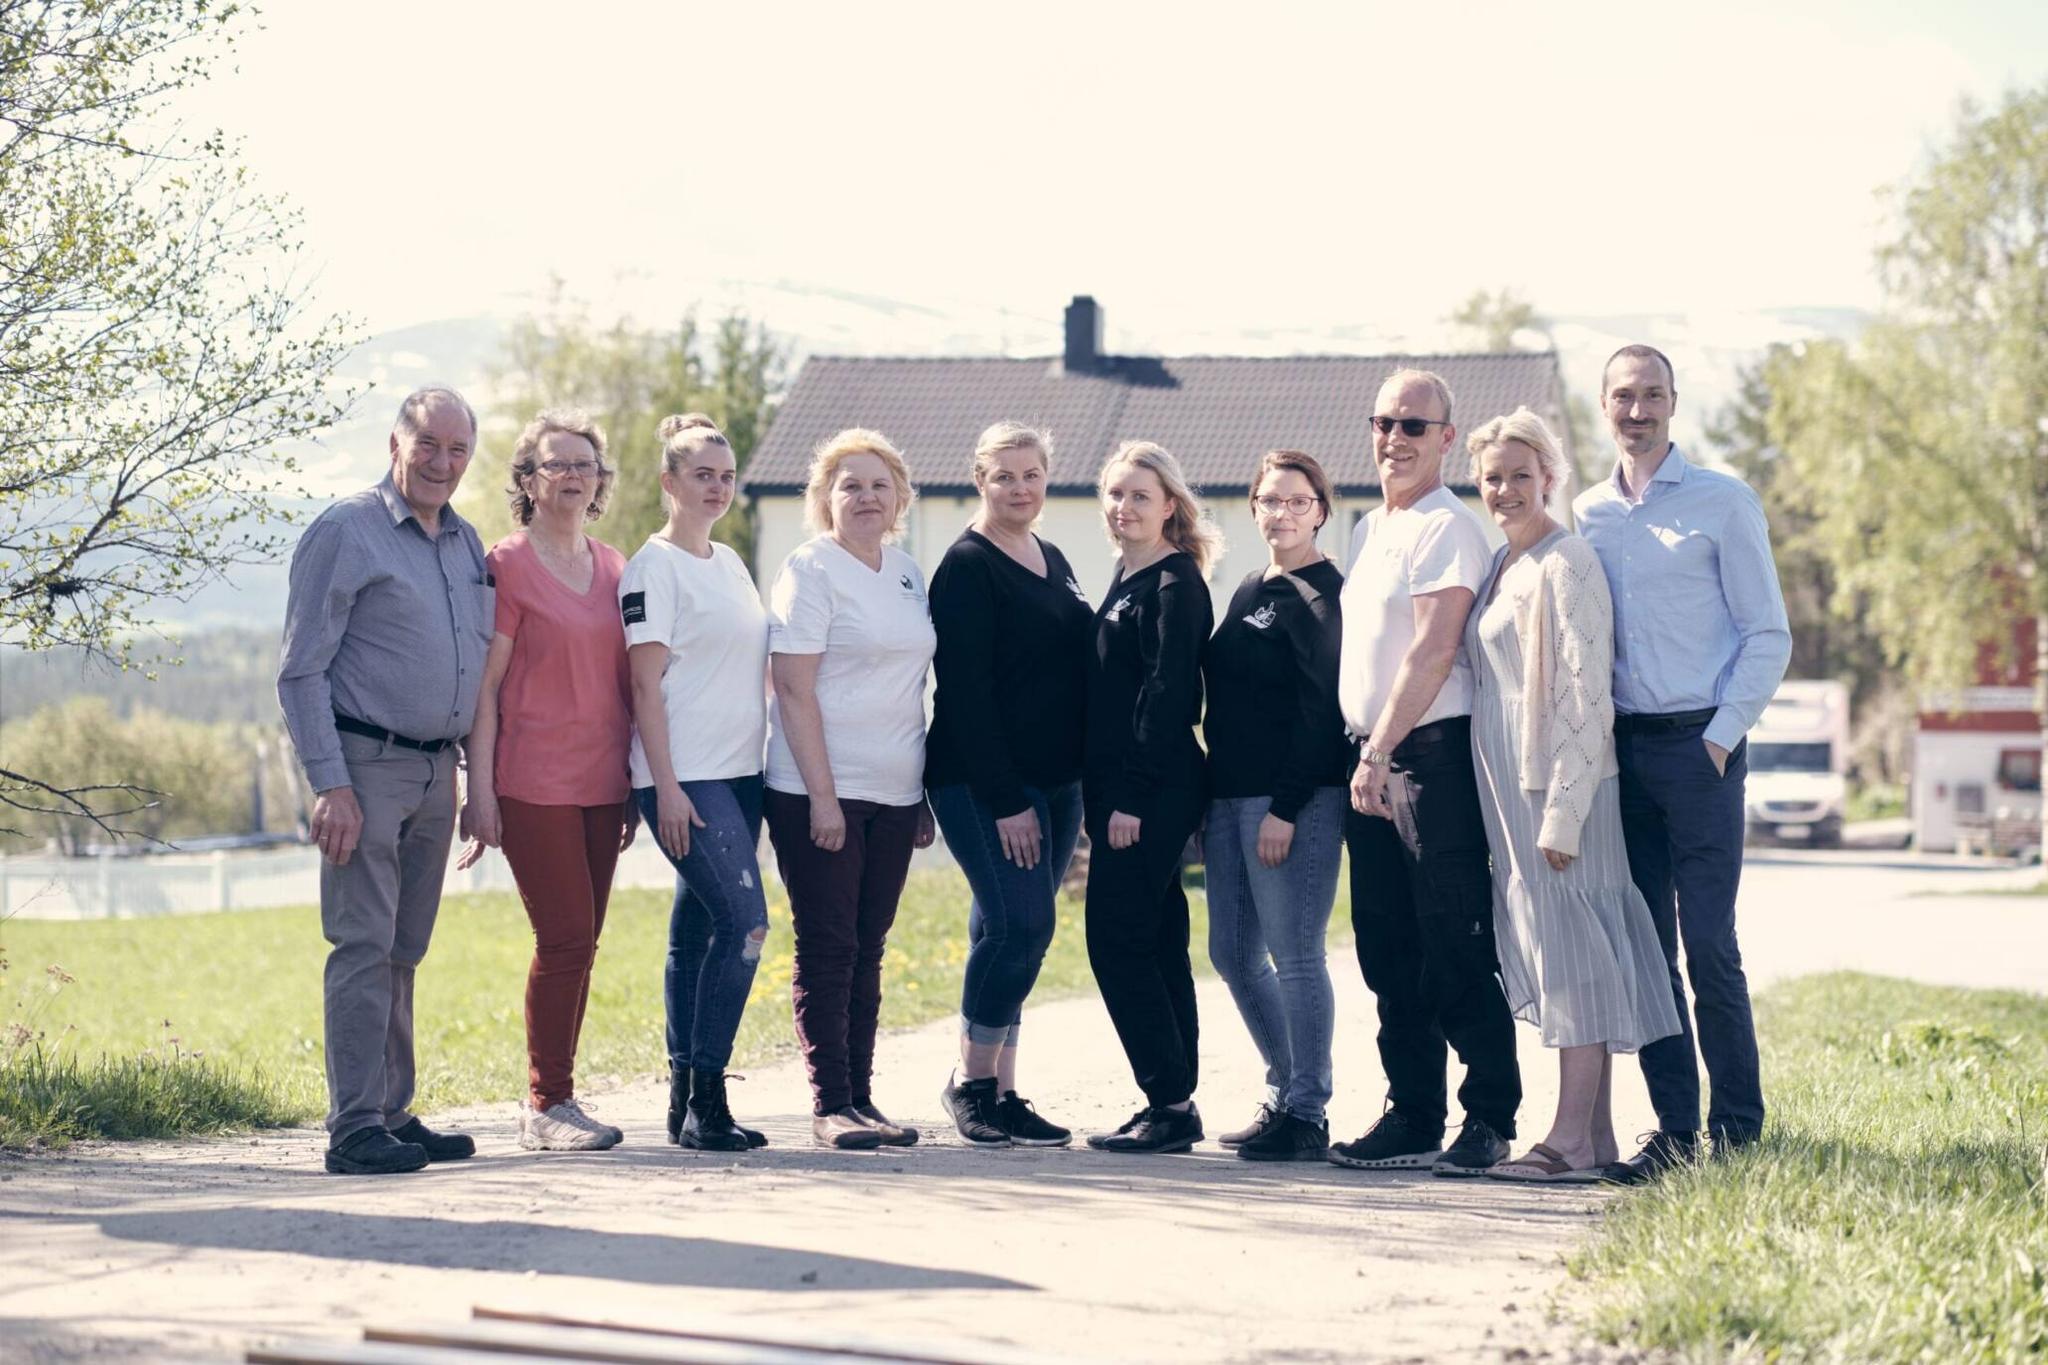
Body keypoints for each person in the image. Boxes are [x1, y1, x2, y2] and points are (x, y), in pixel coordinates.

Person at [1574, 345, 1791, 1182]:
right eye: (1623, 396)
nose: (1638, 409)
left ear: (1674, 402)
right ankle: (1673, 1130)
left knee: (1709, 945)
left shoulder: (1723, 503)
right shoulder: (1588, 513)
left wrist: (1721, 735)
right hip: (1622, 756)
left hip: (1702, 749)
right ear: (1603, 406)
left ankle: (1737, 1128)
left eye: (1652, 394)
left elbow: (1766, 632)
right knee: (1647, 951)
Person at [1460, 409, 1683, 1183]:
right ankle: (1599, 1137)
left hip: (1562, 794)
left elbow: (1588, 697)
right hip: (1508, 795)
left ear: (1548, 476)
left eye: (1521, 474)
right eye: (1493, 477)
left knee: (1576, 958)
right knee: (1560, 952)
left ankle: (1568, 1141)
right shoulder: (1500, 564)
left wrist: (1563, 807)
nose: (1506, 489)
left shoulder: (1569, 560)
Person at [278, 386, 489, 1175]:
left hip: (439, 770)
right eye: (428, 444)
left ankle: (394, 1113)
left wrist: (471, 777)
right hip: (364, 767)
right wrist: (330, 783)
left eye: (457, 449)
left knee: (404, 946)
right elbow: (300, 670)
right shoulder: (347, 530)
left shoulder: (465, 542)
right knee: (363, 942)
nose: (442, 462)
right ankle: (355, 1125)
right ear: (395, 443)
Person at [1330, 368, 1522, 1178]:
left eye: (1415, 426)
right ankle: (1412, 1112)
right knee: (1386, 950)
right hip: (1368, 758)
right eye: (1385, 422)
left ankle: (1489, 1117)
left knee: (1451, 944)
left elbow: (1434, 647)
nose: (1395, 438)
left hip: (1424, 760)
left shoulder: (1449, 527)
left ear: (1447, 438)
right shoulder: (1372, 528)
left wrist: (1378, 751)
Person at [456, 410, 634, 1152]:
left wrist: (633, 782)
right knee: (562, 939)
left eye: (583, 463)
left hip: (605, 782)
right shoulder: (508, 565)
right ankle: (546, 1103)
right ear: (526, 481)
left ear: (599, 480)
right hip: (531, 781)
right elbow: (486, 687)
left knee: (583, 943)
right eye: (554, 464)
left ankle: (558, 1096)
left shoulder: (617, 566)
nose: (570, 474)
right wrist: (481, 792)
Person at [764, 428, 938, 1150]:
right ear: (824, 499)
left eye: (877, 484)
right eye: (849, 485)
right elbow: (793, 689)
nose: (865, 497)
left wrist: (919, 790)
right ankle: (828, 1101)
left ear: (899, 496)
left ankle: (862, 1098)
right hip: (817, 793)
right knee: (829, 945)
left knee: (871, 945)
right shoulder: (810, 570)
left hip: (896, 794)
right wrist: (824, 798)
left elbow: (912, 686)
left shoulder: (904, 571)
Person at [927, 422, 1092, 1148]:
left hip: (1057, 782)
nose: (1020, 488)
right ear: (979, 478)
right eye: (1005, 476)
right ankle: (968, 1083)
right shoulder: (967, 565)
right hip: (985, 782)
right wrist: (1006, 800)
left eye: (1031, 474)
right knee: (1024, 924)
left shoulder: (1050, 555)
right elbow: (966, 694)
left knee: (1005, 928)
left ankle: (1002, 1089)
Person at [621, 414, 773, 1153]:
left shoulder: (732, 561)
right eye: (702, 474)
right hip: (687, 780)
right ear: (668, 482)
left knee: (695, 932)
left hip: (744, 775)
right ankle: (709, 1099)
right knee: (746, 923)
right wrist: (667, 787)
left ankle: (683, 1098)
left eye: (726, 474)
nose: (717, 486)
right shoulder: (652, 569)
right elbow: (644, 689)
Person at [1201, 450, 1352, 1163]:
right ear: (1254, 508)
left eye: (1297, 501)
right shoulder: (1252, 586)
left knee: (1294, 953)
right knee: (1231, 951)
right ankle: (1284, 1087)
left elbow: (1324, 712)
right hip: (1229, 799)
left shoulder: (1324, 595)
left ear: (1321, 509)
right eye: (1269, 500)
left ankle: (1308, 1110)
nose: (1282, 513)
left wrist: (1286, 808)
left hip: (1293, 801)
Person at [1082, 441, 1219, 1155]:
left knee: (1116, 937)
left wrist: (1130, 797)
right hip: (1124, 788)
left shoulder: (1174, 584)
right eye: (1113, 493)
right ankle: (1175, 1098)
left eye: (1139, 495)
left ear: (1170, 504)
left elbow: (1170, 698)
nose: (1123, 507)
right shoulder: (1127, 576)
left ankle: (1168, 1097)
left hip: (1153, 789)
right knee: (1158, 935)